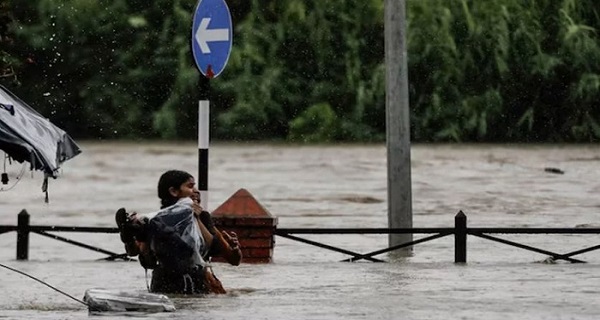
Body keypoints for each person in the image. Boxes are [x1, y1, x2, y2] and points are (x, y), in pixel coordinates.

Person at [115, 169, 242, 294]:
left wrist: (235, 249)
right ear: (174, 191)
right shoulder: (155, 221)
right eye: (191, 186)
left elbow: (232, 258)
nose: (196, 191)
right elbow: (144, 258)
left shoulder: (200, 217)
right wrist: (132, 237)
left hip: (175, 283)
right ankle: (130, 232)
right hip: (186, 283)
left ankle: (130, 233)